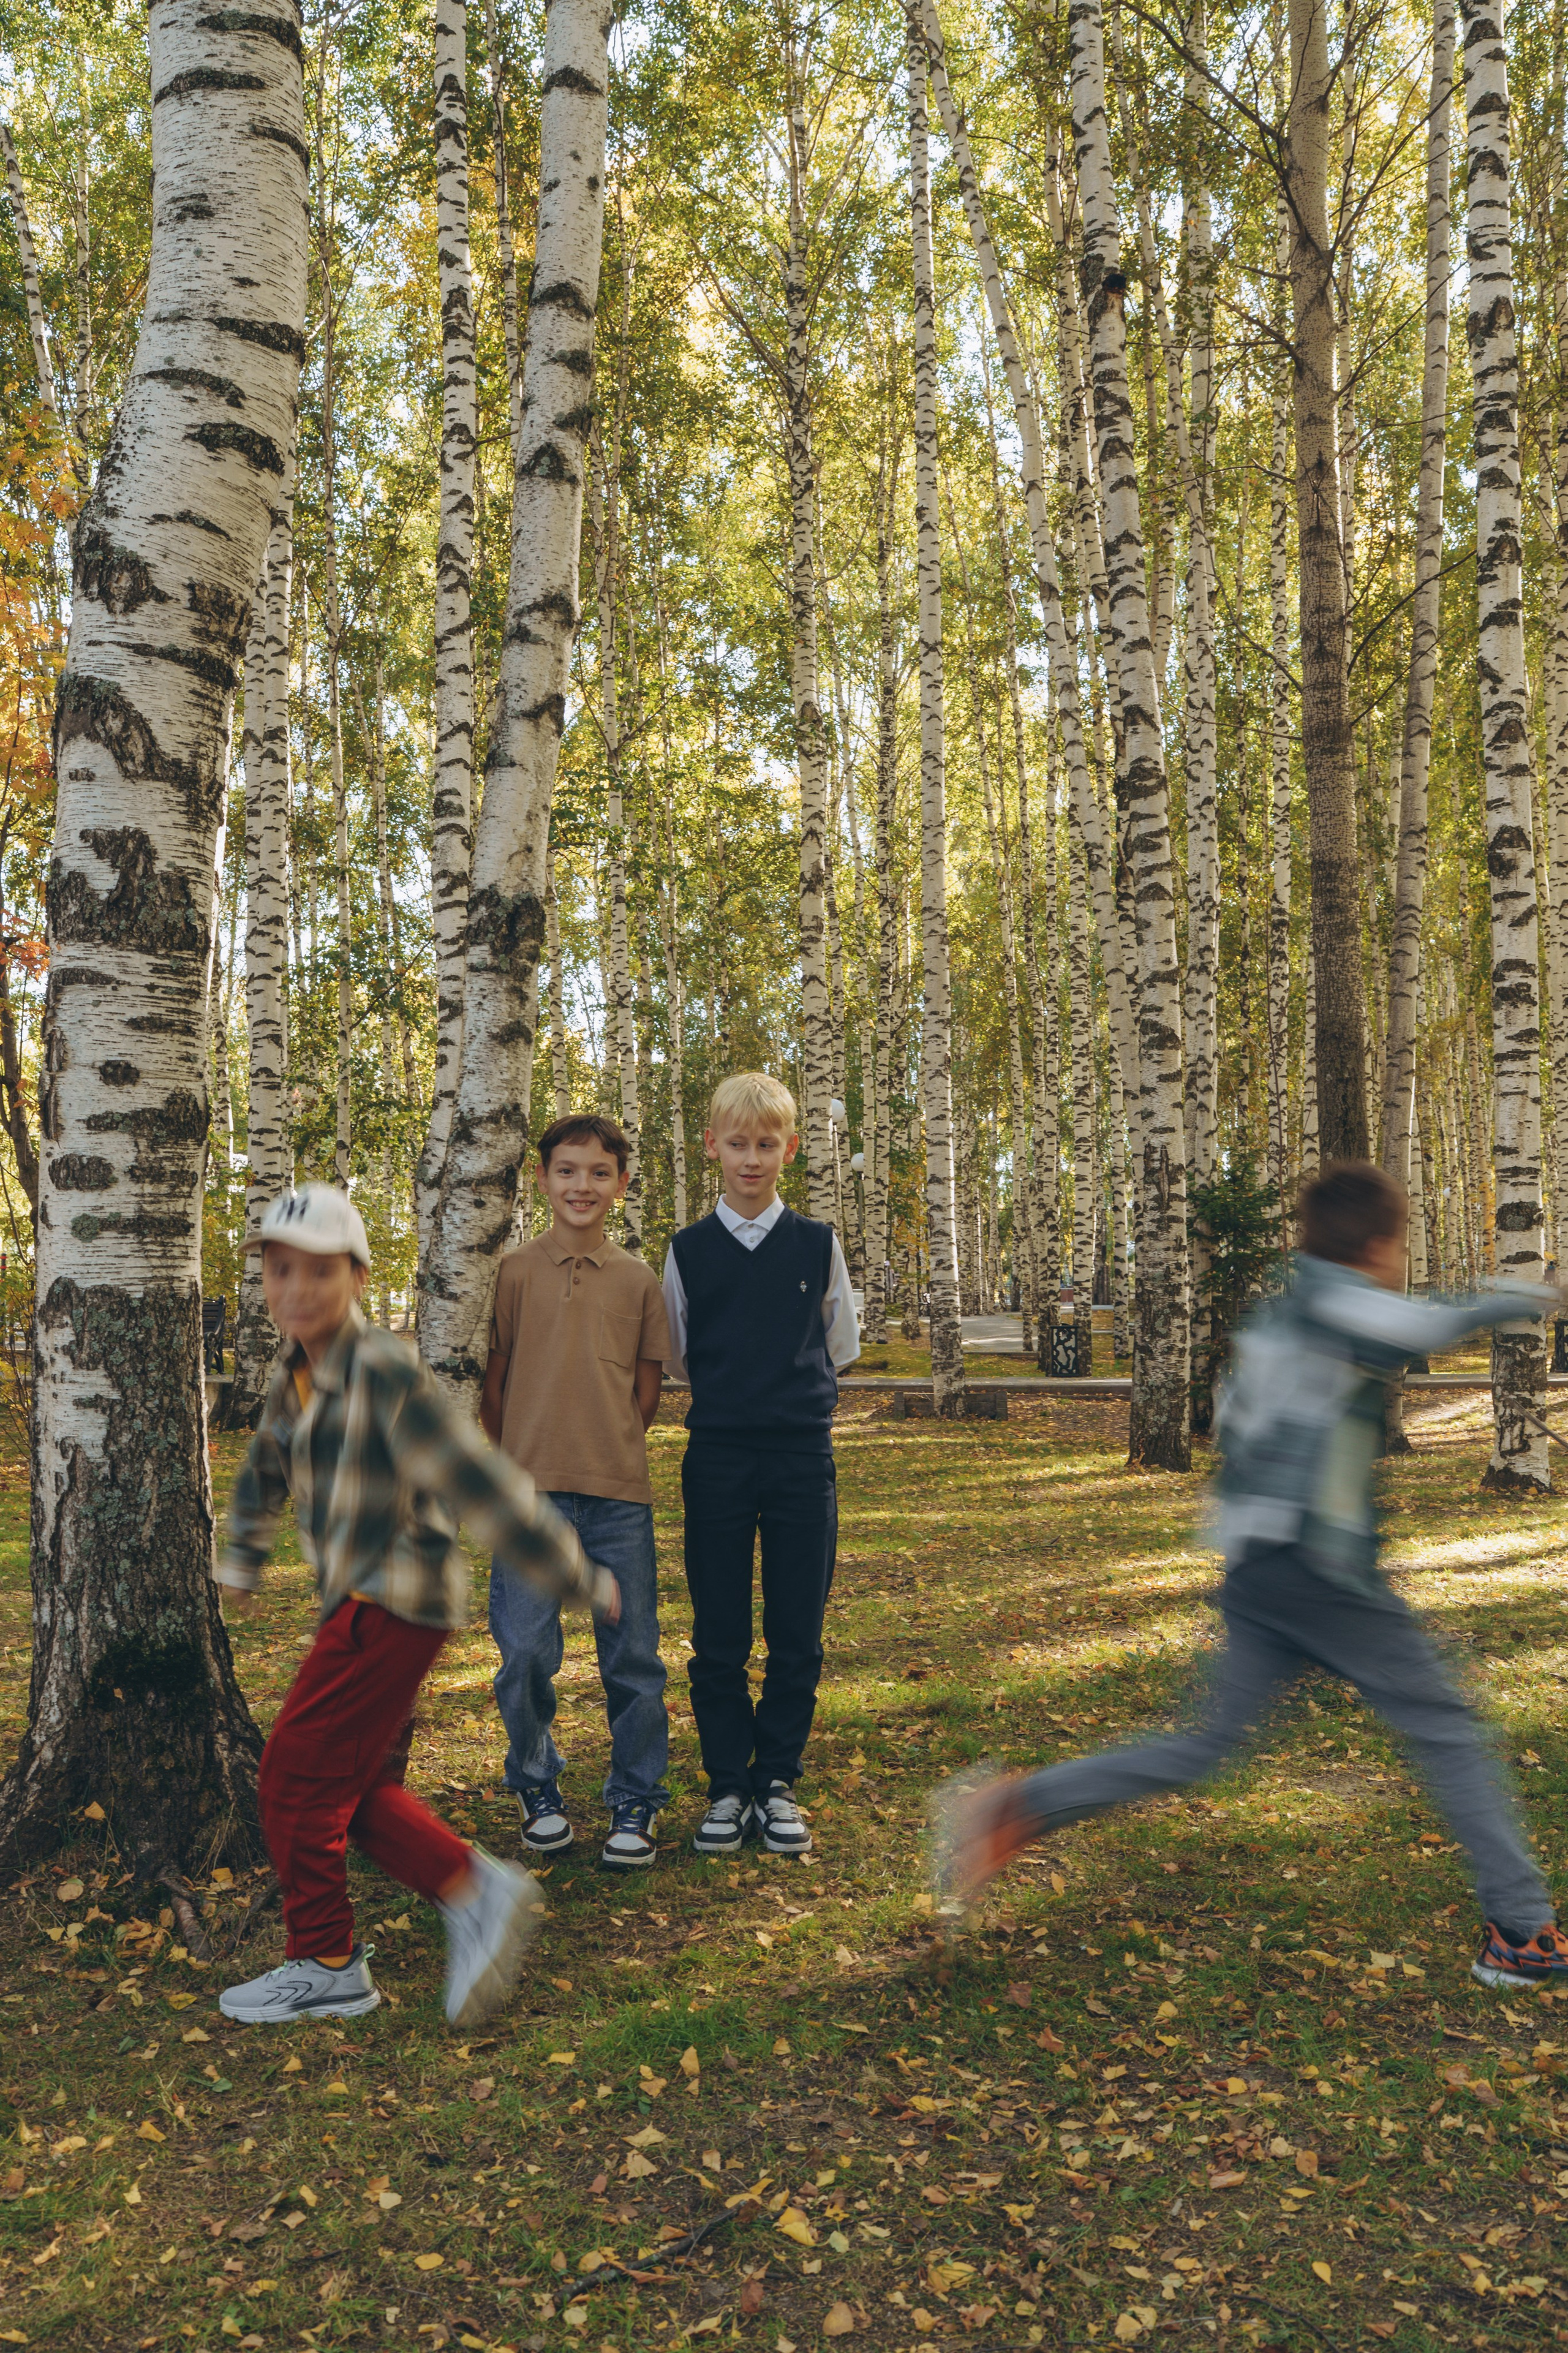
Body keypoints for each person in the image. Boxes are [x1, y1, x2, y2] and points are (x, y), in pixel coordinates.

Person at [936, 1161, 1568, 1992]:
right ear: (1377, 1246)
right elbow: (1427, 1326)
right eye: (1401, 1245)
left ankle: (1016, 1808)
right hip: (1315, 1570)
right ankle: (1522, 1933)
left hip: (1257, 1563)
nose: (1400, 1261)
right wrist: (1538, 1292)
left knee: (1205, 1747)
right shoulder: (1336, 1302)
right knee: (1444, 1720)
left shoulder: (1281, 1309)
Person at [214, 1185, 620, 2028]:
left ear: (357, 1276)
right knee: (348, 1789)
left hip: (395, 1601)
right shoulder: (294, 1377)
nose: (293, 1289)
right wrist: (241, 1556)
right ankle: (472, 1886)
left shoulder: (386, 1370)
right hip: (358, 1606)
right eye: (278, 1270)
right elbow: (262, 1469)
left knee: (290, 1773)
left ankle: (326, 1960)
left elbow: (476, 1478)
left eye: (316, 1271)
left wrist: (573, 1571)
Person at [663, 1072, 859, 1858]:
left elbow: (837, 1346)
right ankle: (726, 1785)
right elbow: (679, 1357)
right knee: (718, 1631)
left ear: (790, 1148)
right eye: (737, 1144)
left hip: (799, 1457)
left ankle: (775, 1778)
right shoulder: (687, 1251)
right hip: (716, 1457)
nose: (751, 1159)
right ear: (712, 1146)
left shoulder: (817, 1243)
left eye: (766, 1145)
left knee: (795, 1629)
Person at [480, 1114, 672, 1869]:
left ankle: (635, 1800)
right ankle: (536, 1784)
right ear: (543, 1179)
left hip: (618, 1497)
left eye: (599, 1172)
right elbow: (493, 1384)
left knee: (633, 1658)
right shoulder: (514, 1273)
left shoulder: (638, 1280)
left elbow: (647, 1391)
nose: (582, 1185)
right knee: (525, 1651)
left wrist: (607, 1451)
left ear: (621, 1184)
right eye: (567, 1170)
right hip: (529, 1498)